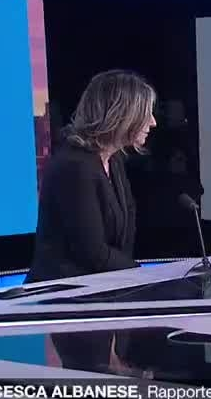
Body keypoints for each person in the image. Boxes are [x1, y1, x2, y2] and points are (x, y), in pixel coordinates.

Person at [25, 70, 157, 283]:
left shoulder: (114, 160)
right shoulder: (74, 167)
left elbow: (123, 238)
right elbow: (92, 252)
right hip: (62, 293)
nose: (153, 122)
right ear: (121, 114)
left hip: (100, 286)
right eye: (145, 113)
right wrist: (142, 276)